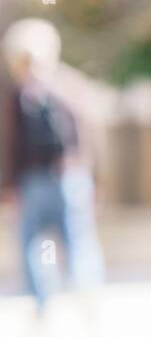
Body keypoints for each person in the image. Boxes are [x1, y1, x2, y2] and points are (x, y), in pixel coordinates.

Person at [1, 18, 105, 320]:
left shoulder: (67, 88)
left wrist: (90, 176)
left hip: (68, 179)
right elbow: (10, 144)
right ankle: (42, 303)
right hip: (32, 181)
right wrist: (10, 186)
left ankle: (87, 295)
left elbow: (88, 134)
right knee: (31, 244)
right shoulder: (16, 97)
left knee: (77, 238)